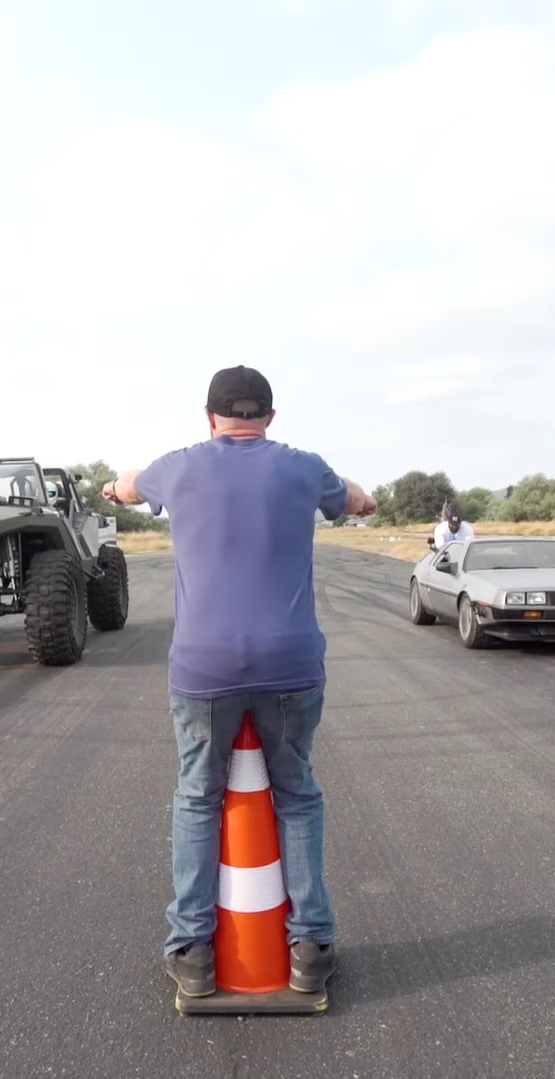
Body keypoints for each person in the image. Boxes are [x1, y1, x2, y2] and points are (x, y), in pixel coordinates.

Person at [103, 364, 376, 1000]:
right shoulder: (306, 466)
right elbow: (354, 501)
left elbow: (124, 485)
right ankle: (310, 945)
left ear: (210, 416)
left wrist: (116, 491)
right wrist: (359, 494)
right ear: (270, 418)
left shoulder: (177, 465)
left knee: (198, 796)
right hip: (291, 665)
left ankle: (192, 949)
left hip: (203, 669)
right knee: (296, 794)